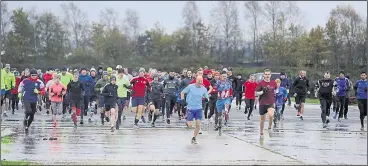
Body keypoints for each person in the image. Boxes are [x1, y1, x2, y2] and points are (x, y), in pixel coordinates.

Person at [181, 76, 209, 144]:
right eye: (199, 80)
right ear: (196, 80)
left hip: (198, 108)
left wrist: (206, 99)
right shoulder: (190, 86)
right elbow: (182, 92)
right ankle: (187, 121)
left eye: (201, 81)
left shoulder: (204, 89)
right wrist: (183, 100)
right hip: (190, 108)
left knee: (198, 125)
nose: (200, 82)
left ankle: (194, 138)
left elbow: (207, 98)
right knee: (190, 125)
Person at [18, 69, 45, 134]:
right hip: (26, 98)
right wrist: (19, 92)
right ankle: (25, 118)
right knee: (28, 111)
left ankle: (27, 126)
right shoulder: (25, 80)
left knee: (32, 115)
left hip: (34, 99)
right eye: (32, 75)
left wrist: (39, 92)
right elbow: (20, 86)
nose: (34, 76)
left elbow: (44, 91)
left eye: (35, 75)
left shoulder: (39, 82)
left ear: (37, 75)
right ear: (30, 75)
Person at [255, 68, 276, 139]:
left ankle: (269, 128)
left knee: (271, 114)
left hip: (270, 102)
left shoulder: (273, 82)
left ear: (270, 75)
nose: (267, 76)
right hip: (262, 103)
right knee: (262, 120)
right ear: (264, 75)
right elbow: (255, 93)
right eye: (266, 74)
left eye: (268, 74)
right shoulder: (261, 83)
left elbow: (276, 90)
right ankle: (261, 133)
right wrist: (263, 91)